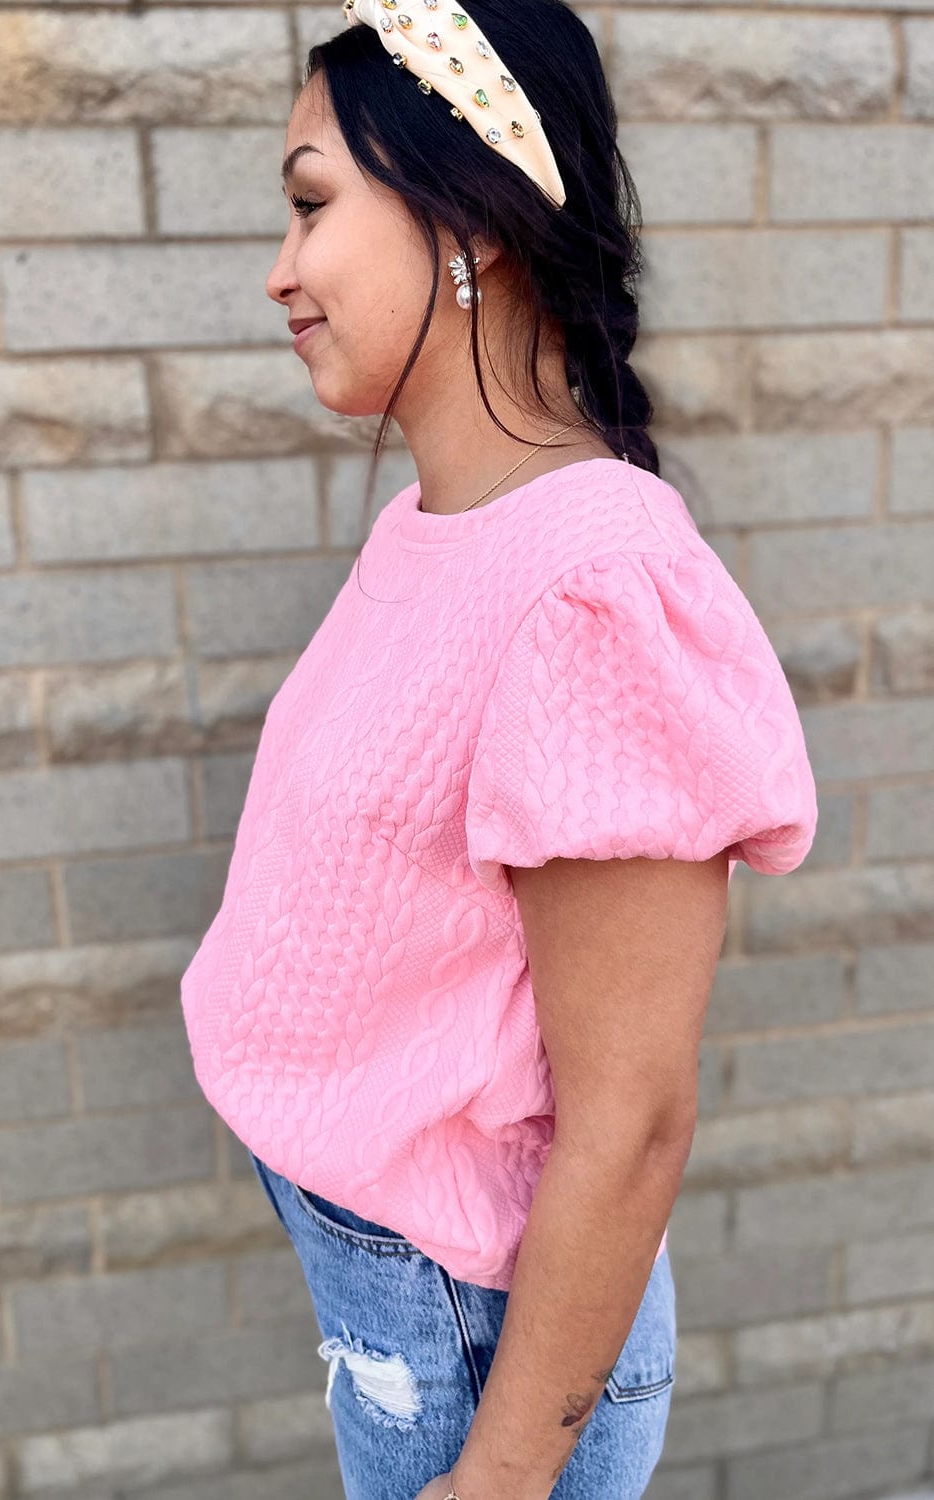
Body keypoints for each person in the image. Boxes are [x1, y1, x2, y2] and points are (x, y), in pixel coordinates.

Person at [178, 1, 819, 1497]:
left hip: (473, 1356)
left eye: (309, 203)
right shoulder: (444, 530)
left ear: (468, 217)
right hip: (399, 1306)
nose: (280, 270)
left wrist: (497, 1479)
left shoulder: (587, 587)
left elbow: (635, 1112)